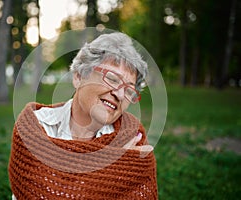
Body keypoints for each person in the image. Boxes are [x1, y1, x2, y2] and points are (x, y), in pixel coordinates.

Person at [8, 32, 158, 199]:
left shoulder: (132, 137)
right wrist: (114, 170)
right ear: (79, 77)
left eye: (129, 90)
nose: (120, 94)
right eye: (112, 79)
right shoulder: (35, 127)